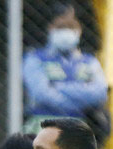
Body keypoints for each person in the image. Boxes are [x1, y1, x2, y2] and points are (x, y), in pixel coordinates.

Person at [22, 3, 108, 141]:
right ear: (50, 28)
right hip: (42, 126)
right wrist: (78, 100)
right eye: (61, 27)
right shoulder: (35, 58)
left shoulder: (89, 61)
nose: (66, 32)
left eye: (71, 27)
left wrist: (58, 87)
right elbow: (41, 93)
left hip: (79, 127)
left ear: (79, 30)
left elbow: (99, 93)